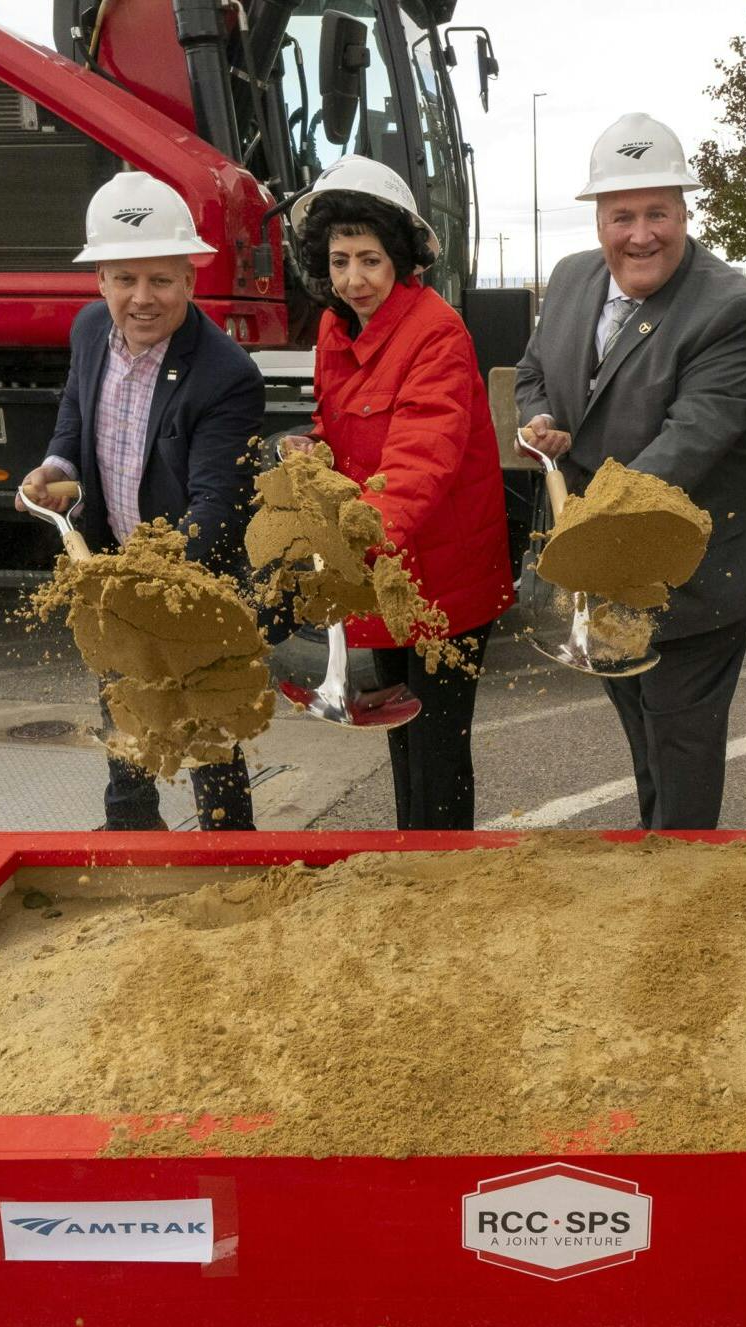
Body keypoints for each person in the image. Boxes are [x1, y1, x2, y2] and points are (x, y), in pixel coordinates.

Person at [513, 113, 746, 831]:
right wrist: (542, 420)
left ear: (685, 211)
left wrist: (583, 528)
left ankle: (687, 891)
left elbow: (683, 450)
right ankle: (657, 849)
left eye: (658, 213)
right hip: (603, 568)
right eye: (622, 215)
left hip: (694, 574)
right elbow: (536, 370)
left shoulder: (729, 311)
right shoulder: (574, 278)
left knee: (681, 740)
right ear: (599, 218)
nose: (641, 234)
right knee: (640, 725)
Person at [18, 169, 267, 832]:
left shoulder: (226, 375)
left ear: (190, 278)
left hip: (192, 587)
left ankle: (228, 850)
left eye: (160, 279)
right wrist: (54, 467)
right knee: (123, 712)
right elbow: (75, 414)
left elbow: (217, 506)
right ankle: (132, 832)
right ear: (100, 279)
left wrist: (145, 584)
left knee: (208, 734)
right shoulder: (89, 331)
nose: (142, 298)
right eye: (124, 280)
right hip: (112, 572)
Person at [281, 155, 514, 828]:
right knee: (397, 727)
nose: (353, 280)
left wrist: (360, 537)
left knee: (438, 740)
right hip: (382, 565)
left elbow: (422, 457)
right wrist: (313, 453)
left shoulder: (436, 331)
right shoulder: (335, 328)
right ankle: (416, 857)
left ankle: (442, 872)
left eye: (370, 261)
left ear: (403, 261)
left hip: (446, 578)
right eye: (339, 261)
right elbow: (339, 427)